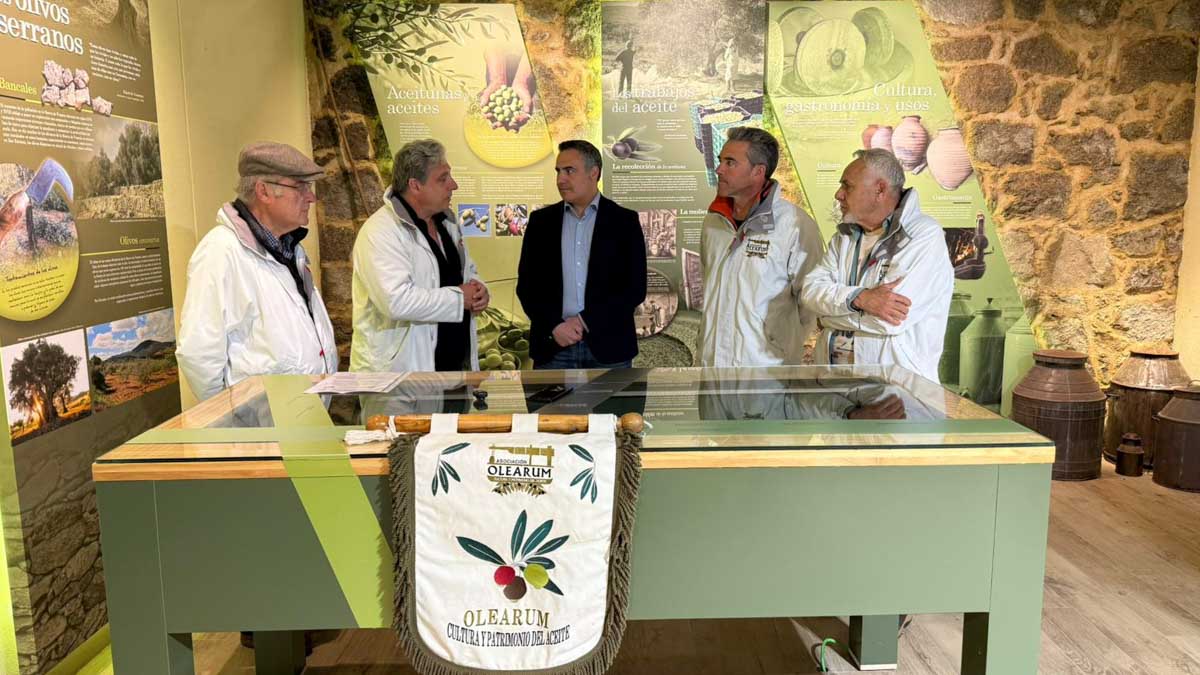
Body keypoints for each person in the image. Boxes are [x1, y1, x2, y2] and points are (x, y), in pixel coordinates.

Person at [177, 142, 338, 402]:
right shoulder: (221, 252)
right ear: (263, 191)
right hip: (261, 422)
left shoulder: (289, 248)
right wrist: (231, 417)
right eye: (300, 187)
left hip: (302, 415)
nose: (311, 197)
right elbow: (198, 354)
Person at [801, 148, 954, 384]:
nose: (838, 194)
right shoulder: (844, 238)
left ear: (880, 189)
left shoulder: (922, 235)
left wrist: (826, 318)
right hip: (835, 386)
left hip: (896, 390)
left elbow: (889, 321)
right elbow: (810, 292)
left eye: (847, 186)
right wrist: (860, 299)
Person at [350, 139, 489, 374]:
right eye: (443, 179)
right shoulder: (381, 232)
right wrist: (459, 299)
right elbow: (396, 300)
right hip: (398, 375)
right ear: (415, 186)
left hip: (453, 370)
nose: (453, 185)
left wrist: (479, 291)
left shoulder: (447, 223)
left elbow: (466, 273)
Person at [696, 126, 824, 367]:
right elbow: (710, 285)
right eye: (721, 161)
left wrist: (777, 345)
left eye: (730, 162)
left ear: (758, 171)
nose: (719, 169)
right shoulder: (713, 222)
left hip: (767, 371)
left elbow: (810, 302)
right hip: (711, 366)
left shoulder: (794, 225)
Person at [517, 140, 647, 369]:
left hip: (610, 347)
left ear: (593, 173)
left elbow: (634, 288)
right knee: (549, 397)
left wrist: (584, 321)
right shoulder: (541, 222)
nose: (560, 179)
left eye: (569, 170)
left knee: (614, 397)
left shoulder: (624, 221)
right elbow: (527, 286)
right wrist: (555, 325)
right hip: (553, 347)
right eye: (558, 171)